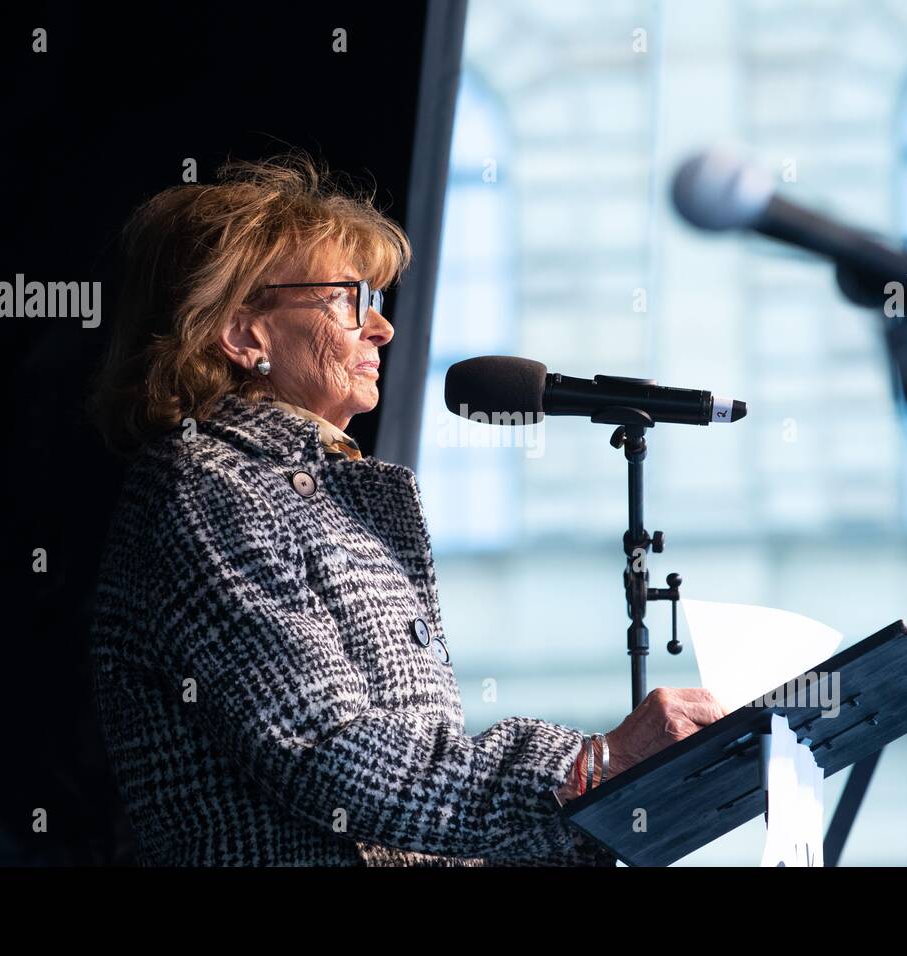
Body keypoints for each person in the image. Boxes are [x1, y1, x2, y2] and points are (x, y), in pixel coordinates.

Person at [87, 152, 726, 866]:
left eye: (378, 299)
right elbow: (332, 753)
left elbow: (416, 818)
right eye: (347, 299)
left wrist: (606, 811)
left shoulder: (323, 494)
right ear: (244, 334)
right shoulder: (210, 492)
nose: (381, 328)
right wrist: (588, 767)